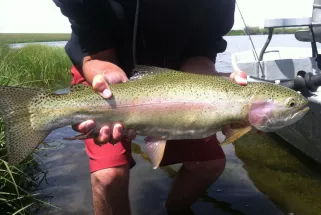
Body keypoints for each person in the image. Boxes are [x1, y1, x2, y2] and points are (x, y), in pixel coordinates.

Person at [53, 0, 247, 215]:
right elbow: (93, 45)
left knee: (208, 164)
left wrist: (208, 82)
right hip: (102, 65)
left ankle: (176, 209)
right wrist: (100, 65)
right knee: (108, 177)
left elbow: (201, 52)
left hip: (177, 82)